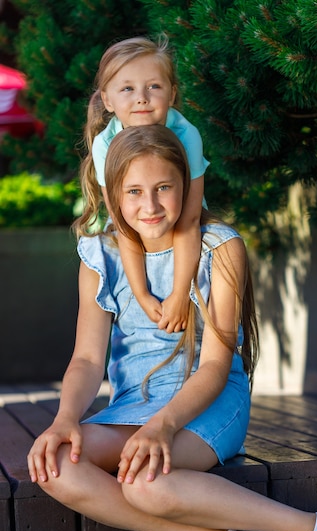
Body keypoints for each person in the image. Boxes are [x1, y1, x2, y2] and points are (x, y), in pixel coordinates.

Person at [28, 125, 317, 531]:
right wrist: (65, 418)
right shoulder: (100, 256)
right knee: (56, 463)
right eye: (135, 192)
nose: (150, 205)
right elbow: (86, 358)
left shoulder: (219, 246)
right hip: (132, 408)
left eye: (164, 188)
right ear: (113, 197)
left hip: (207, 399)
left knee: (147, 483)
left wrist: (163, 426)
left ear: (186, 185)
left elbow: (214, 367)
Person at [81, 35, 209, 333]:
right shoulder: (105, 145)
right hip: (137, 235)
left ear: (172, 93)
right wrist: (141, 293)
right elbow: (123, 224)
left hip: (185, 229)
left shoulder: (186, 135)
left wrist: (180, 293)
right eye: (127, 88)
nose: (142, 97)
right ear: (108, 100)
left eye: (154, 86)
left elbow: (189, 220)